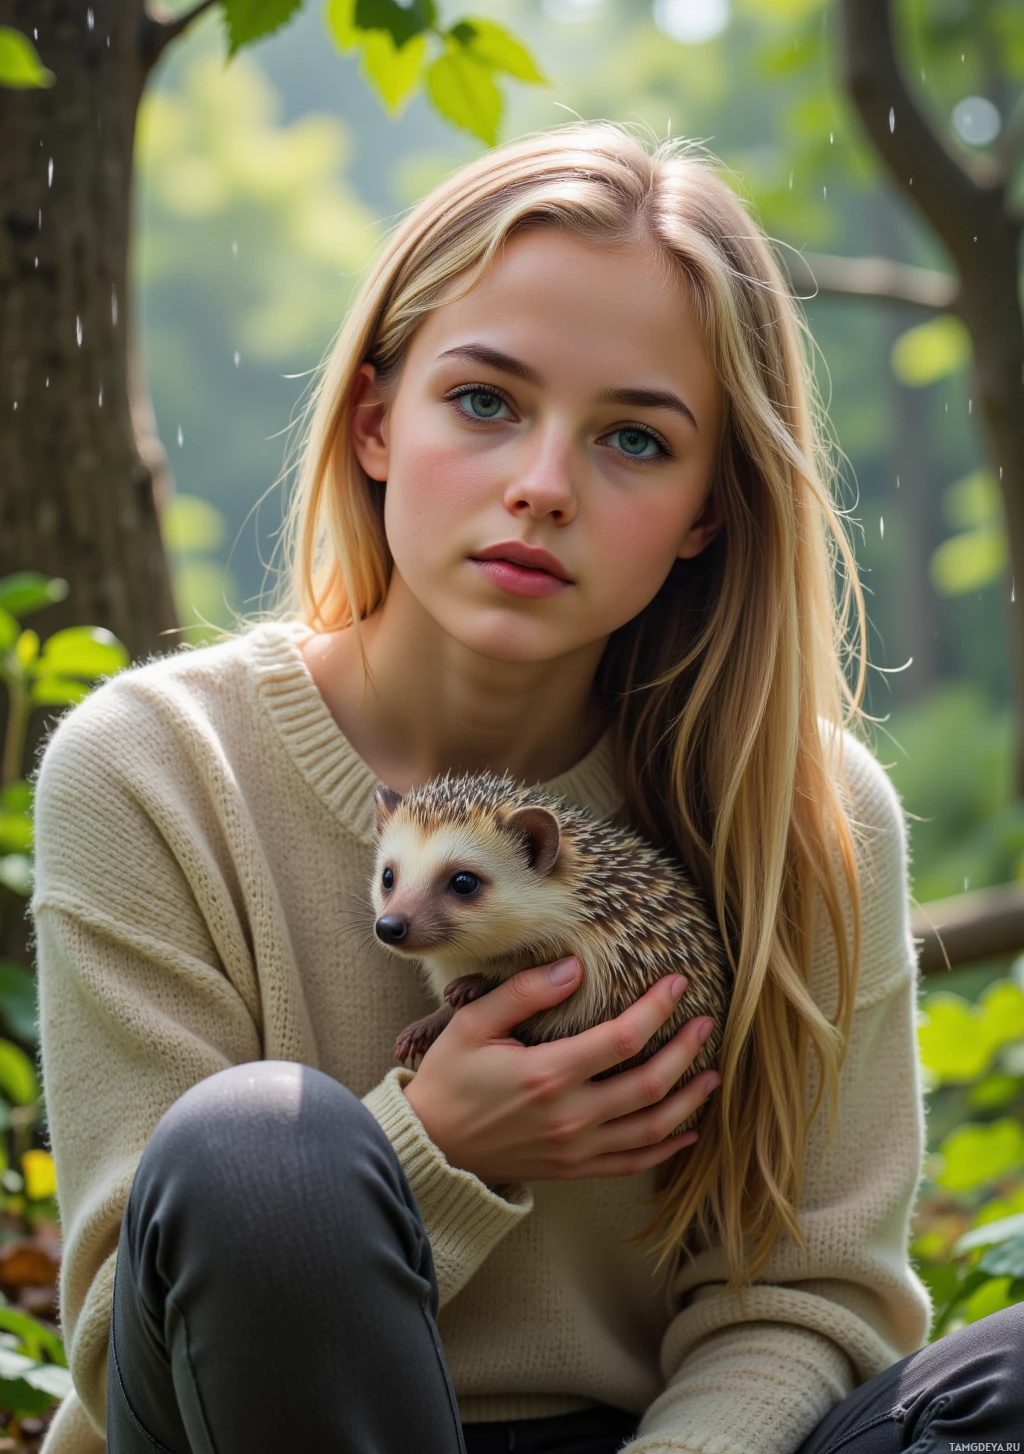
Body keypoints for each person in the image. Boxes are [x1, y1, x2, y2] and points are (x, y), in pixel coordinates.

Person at [30, 122, 1021, 1454]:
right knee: (258, 1154)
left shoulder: (807, 815)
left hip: (662, 1437)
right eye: (486, 403)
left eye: (635, 441)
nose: (544, 487)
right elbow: (120, 1340)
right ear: (378, 421)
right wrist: (433, 1147)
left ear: (706, 515)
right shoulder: (153, 768)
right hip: (270, 1424)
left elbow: (804, 1298)